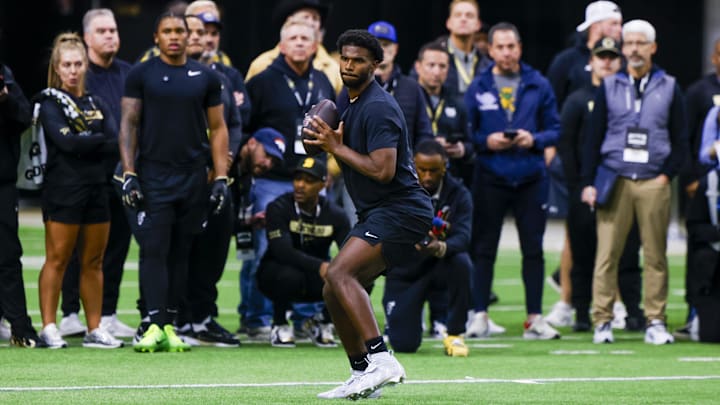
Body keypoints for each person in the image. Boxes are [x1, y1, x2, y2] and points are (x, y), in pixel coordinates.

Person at [304, 29, 433, 400]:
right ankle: (362, 372)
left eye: (358, 60)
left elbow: (382, 170)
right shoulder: (349, 99)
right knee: (333, 286)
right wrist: (329, 144)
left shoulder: (378, 106)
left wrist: (334, 146)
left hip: (402, 210)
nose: (348, 65)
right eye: (344, 58)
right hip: (379, 211)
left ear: (376, 65)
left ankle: (381, 358)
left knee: (340, 272)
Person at [119, 12, 229, 352]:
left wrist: (221, 176)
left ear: (188, 35)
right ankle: (151, 324)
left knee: (182, 252)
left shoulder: (206, 77)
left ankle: (169, 323)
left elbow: (219, 128)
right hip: (152, 175)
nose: (174, 36)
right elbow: (128, 124)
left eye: (179, 30)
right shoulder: (141, 74)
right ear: (156, 37)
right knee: (154, 250)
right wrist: (129, 172)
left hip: (193, 177)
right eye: (167, 31)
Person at [581, 20, 687, 345]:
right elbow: (592, 138)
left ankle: (655, 320)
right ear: (622, 48)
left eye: (641, 43)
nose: (634, 49)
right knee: (607, 254)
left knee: (655, 255)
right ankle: (602, 320)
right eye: (629, 44)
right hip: (616, 177)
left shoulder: (669, 85)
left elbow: (681, 137)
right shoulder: (609, 86)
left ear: (653, 48)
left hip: (654, 179)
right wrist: (589, 181)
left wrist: (666, 175)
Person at [464, 22, 561, 340]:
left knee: (533, 249)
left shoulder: (538, 83)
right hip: (491, 175)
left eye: (512, 46)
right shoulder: (478, 86)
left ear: (520, 48)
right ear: (489, 50)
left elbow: (555, 130)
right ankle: (480, 314)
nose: (506, 52)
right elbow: (467, 134)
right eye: (500, 47)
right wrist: (486, 141)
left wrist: (532, 139)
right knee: (484, 248)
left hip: (531, 177)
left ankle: (534, 317)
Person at [240, 18, 334, 340]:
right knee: (267, 247)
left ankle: (305, 318)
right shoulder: (263, 81)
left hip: (314, 177)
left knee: (314, 245)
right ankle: (257, 318)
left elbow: (335, 131)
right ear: (281, 45)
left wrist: (328, 171)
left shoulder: (323, 80)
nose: (298, 42)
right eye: (292, 37)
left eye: (304, 38)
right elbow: (246, 130)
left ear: (314, 45)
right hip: (273, 180)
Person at [36, 32, 123, 349]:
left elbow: (115, 142)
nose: (73, 70)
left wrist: (87, 143)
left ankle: (94, 328)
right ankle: (48, 326)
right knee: (57, 259)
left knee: (94, 261)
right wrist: (93, 141)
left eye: (78, 64)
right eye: (67, 65)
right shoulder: (48, 102)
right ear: (57, 69)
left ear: (86, 65)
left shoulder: (96, 102)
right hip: (63, 189)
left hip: (97, 189)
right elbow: (67, 143)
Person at [58, 8, 135, 339]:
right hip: (86, 174)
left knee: (117, 246)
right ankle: (70, 313)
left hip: (123, 174)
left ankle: (108, 313)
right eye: (102, 31)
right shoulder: (79, 76)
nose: (110, 36)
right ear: (87, 38)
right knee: (76, 249)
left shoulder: (131, 74)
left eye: (113, 30)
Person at [554, 37, 631, 331]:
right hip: (585, 188)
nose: (607, 61)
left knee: (621, 252)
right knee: (583, 252)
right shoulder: (577, 99)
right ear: (592, 60)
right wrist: (579, 185)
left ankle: (626, 309)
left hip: (622, 184)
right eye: (602, 56)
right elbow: (567, 145)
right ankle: (582, 313)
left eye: (613, 56)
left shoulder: (629, 98)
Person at [382, 139, 472, 357]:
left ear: (445, 167)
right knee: (404, 344)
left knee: (462, 263)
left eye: (434, 170)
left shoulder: (459, 194)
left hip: (439, 267)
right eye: (422, 170)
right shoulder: (398, 190)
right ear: (413, 166)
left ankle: (454, 332)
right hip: (406, 273)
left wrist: (438, 247)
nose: (428, 176)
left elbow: (464, 237)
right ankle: (406, 318)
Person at [256, 157, 349, 348]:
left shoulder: (336, 215)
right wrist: (321, 266)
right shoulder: (278, 207)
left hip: (317, 279)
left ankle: (322, 321)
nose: (300, 185)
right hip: (276, 274)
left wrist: (347, 271)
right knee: (288, 274)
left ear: (323, 184)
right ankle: (280, 323)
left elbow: (349, 252)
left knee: (359, 277)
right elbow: (282, 251)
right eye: (297, 179)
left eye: (308, 181)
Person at [0, 62, 47, 348]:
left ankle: (20, 327)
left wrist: (4, 96)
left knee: (7, 255)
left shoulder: (4, 73)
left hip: (1, 183)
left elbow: (24, 117)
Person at [676, 38, 720, 338]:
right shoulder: (699, 92)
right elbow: (686, 138)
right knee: (700, 246)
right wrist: (691, 177)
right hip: (707, 183)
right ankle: (696, 310)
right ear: (714, 57)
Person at [246, 0, 342, 94]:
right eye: (306, 17)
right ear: (289, 21)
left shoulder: (332, 67)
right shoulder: (263, 63)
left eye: (315, 18)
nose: (311, 23)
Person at [364, 20, 432, 149]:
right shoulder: (355, 85)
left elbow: (424, 133)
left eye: (386, 44)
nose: (380, 49)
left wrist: (415, 162)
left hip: (402, 166)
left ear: (395, 49)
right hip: (362, 164)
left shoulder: (412, 87)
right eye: (375, 44)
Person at [414, 41, 473, 187]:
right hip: (414, 178)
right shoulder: (406, 97)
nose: (436, 72)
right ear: (418, 67)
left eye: (442, 66)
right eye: (431, 65)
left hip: (449, 178)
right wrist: (429, 145)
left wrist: (462, 149)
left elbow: (471, 142)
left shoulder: (457, 101)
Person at [546, 1, 622, 108]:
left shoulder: (622, 59)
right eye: (614, 24)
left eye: (620, 24)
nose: (620, 30)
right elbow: (551, 103)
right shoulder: (566, 60)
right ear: (595, 26)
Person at [434, 0, 491, 97]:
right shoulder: (431, 58)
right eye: (458, 15)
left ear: (478, 24)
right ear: (448, 23)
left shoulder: (488, 66)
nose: (463, 19)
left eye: (469, 15)